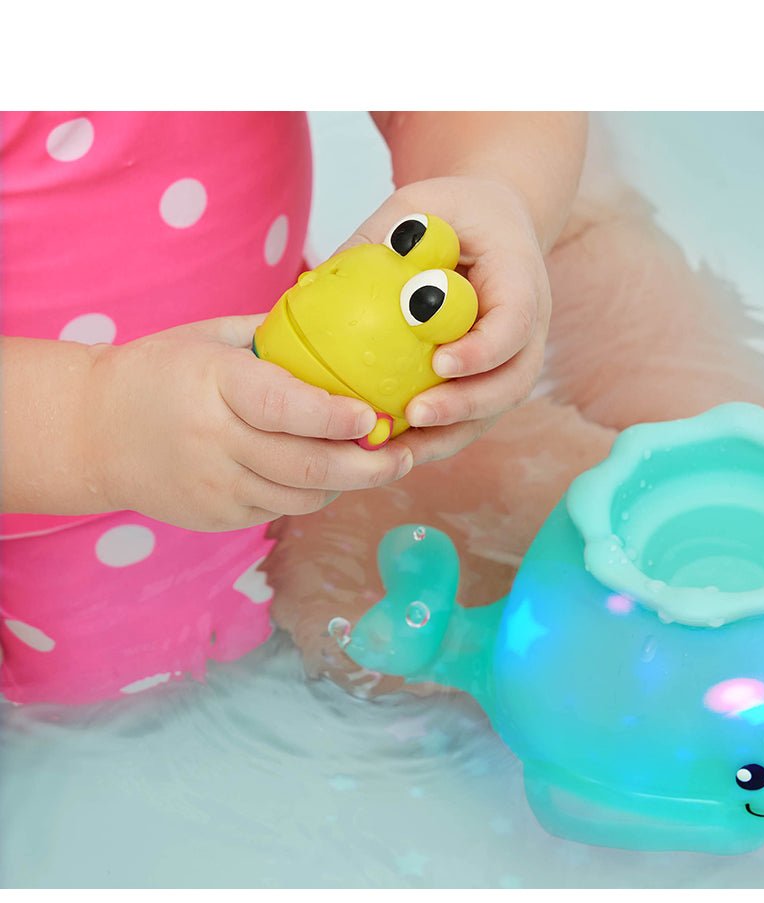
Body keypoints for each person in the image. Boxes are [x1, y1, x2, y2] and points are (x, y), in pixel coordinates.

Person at [0, 111, 590, 705]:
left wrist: (497, 187)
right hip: (47, 518)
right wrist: (98, 425)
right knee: (114, 717)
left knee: (560, 575)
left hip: (323, 428)